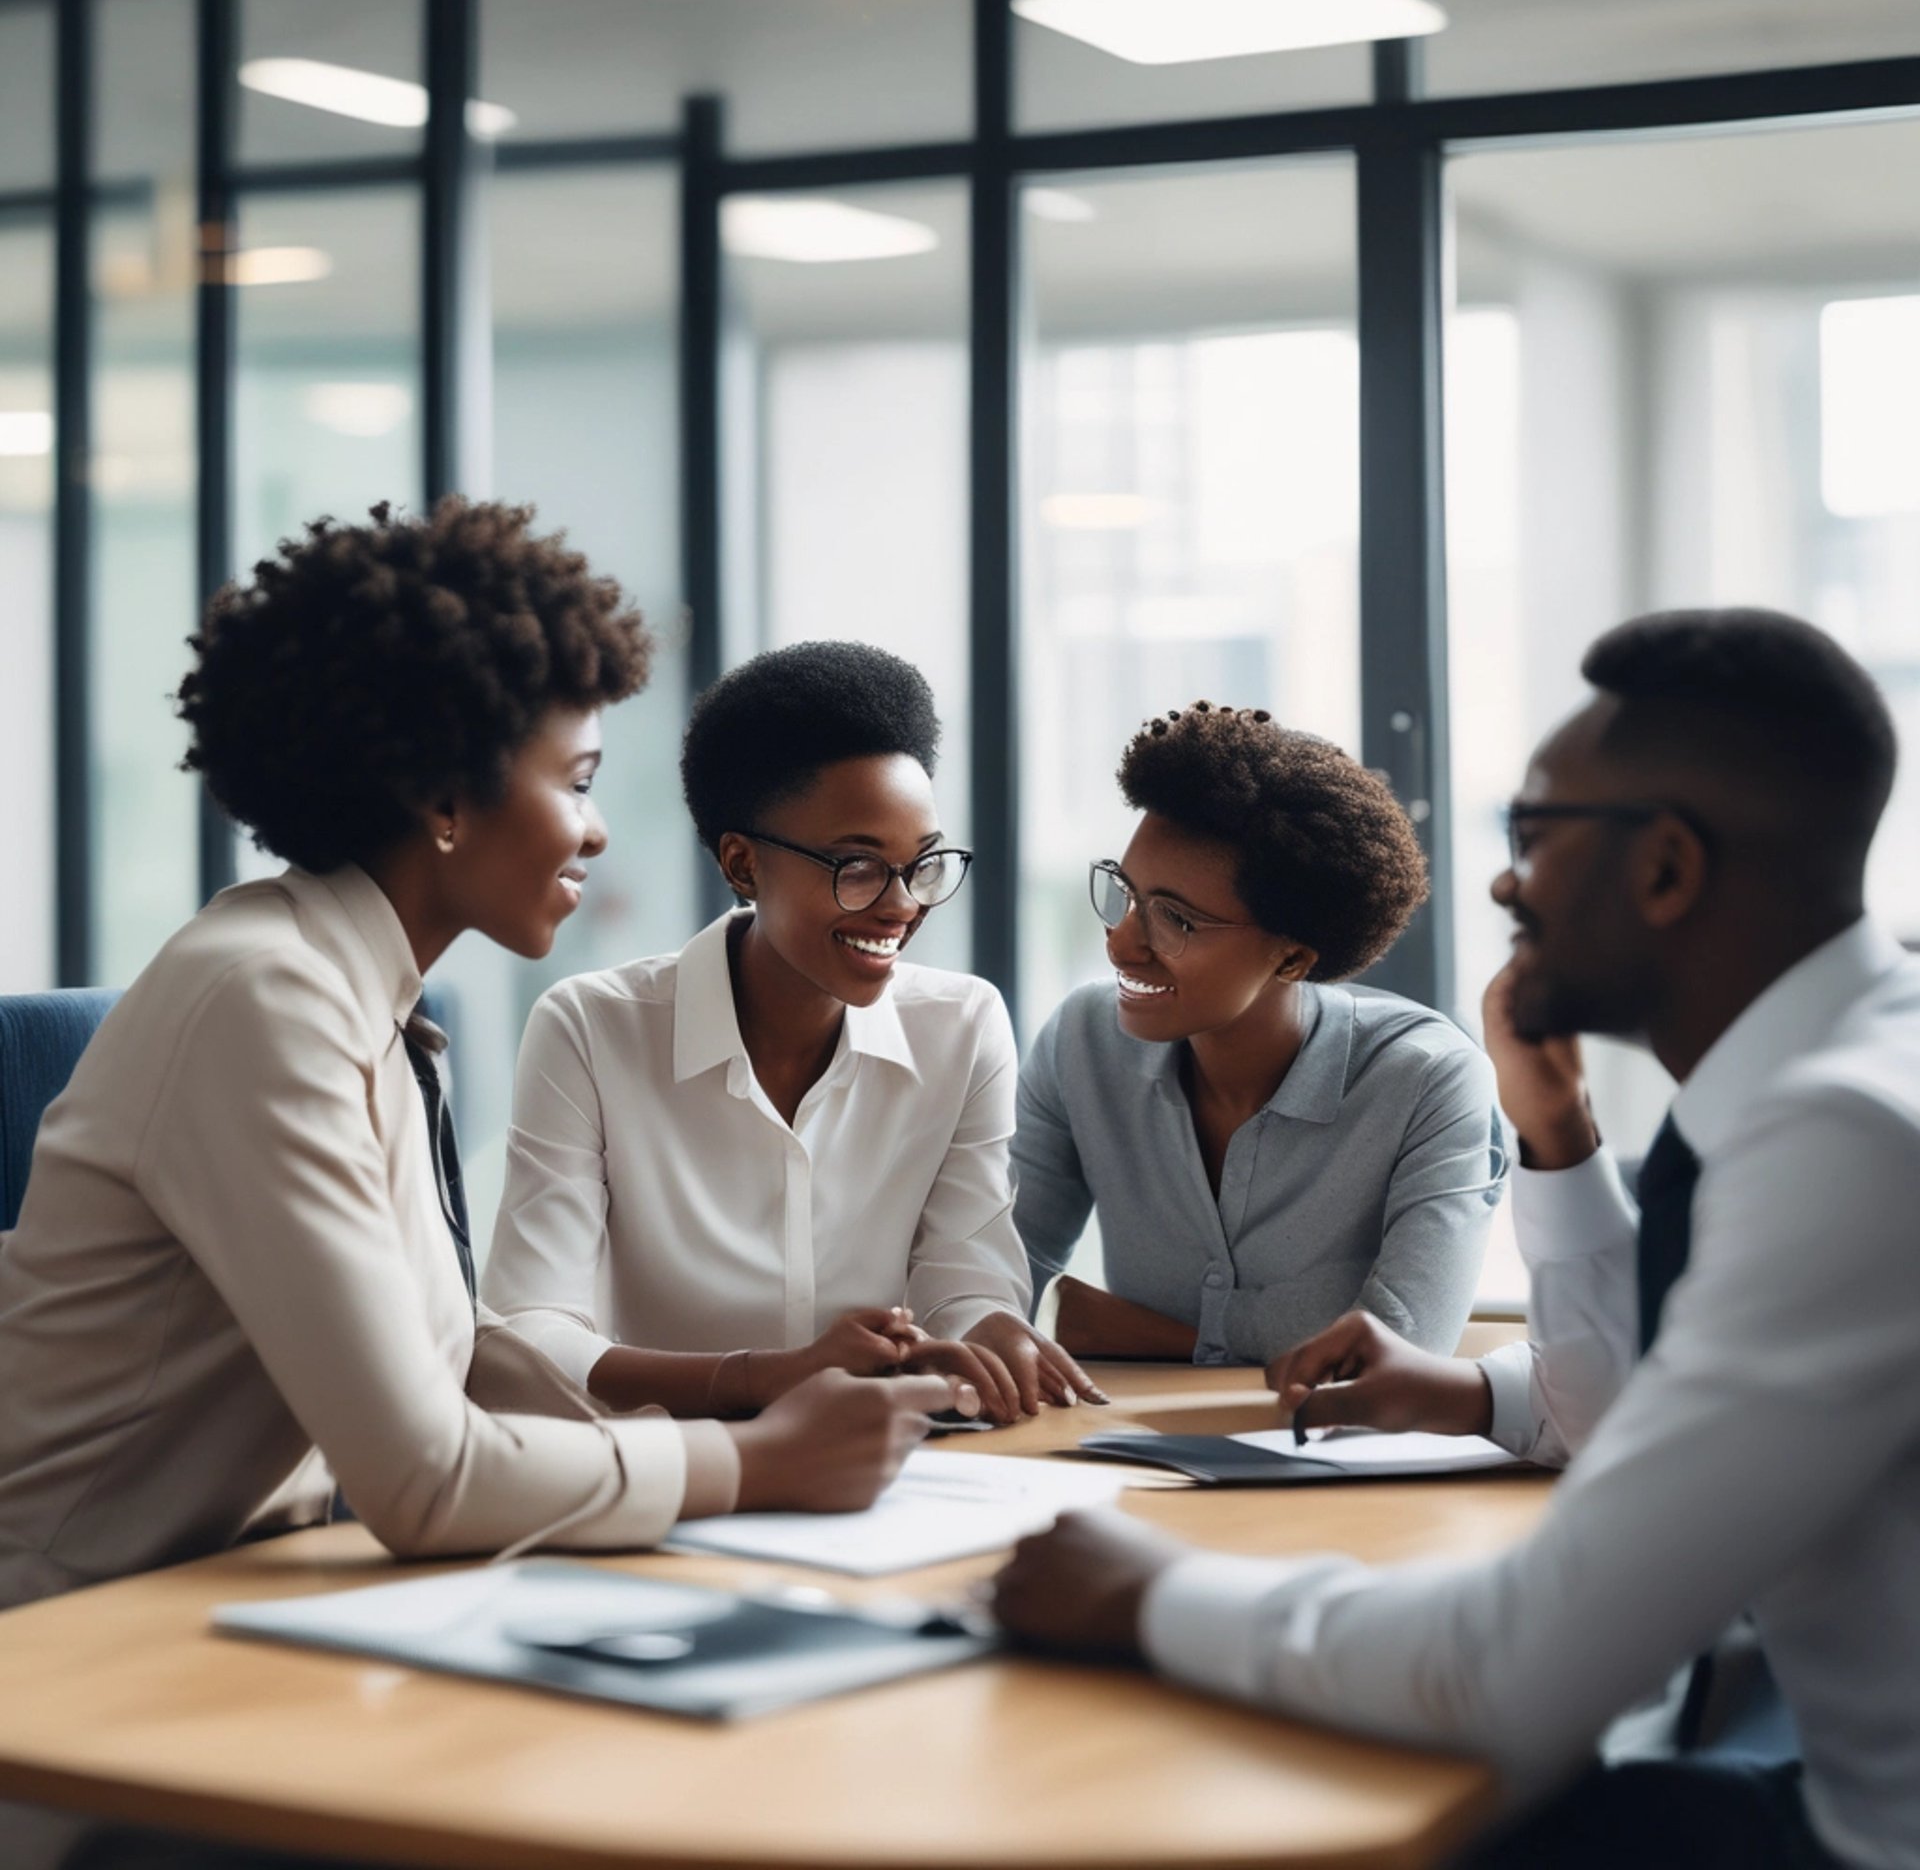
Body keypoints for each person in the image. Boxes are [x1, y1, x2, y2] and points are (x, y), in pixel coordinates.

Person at [992, 610, 1920, 1870]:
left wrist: (1148, 1592)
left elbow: (1517, 1669)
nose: (1502, 886)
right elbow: (1620, 1409)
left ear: (1665, 867)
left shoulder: (1850, 1138)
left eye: (1531, 835)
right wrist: (1560, 1138)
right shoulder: (1856, 1072)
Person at [0, 501, 958, 1617]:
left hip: (226, 1597)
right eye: (578, 781)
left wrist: (756, 1395)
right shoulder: (265, 1002)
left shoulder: (353, 993)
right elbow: (425, 1478)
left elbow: (447, 1351)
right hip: (60, 1631)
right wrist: (760, 1461)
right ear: (446, 800)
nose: (596, 830)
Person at [484, 641, 1099, 1425]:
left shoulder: (962, 1027)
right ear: (743, 865)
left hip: (890, 1464)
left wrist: (987, 1329)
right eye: (857, 866)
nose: (902, 905)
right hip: (674, 1467)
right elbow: (531, 1338)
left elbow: (965, 1279)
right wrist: (772, 1377)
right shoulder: (591, 1029)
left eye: (923, 864)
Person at [1014, 703, 1503, 1366]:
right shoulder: (1082, 1042)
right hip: (1120, 1426)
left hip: (1330, 1435)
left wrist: (1158, 1336)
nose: (1121, 945)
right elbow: (1000, 1286)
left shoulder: (1428, 1080)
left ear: (1292, 959)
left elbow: (1399, 1351)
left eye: (1175, 920)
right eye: (1124, 894)